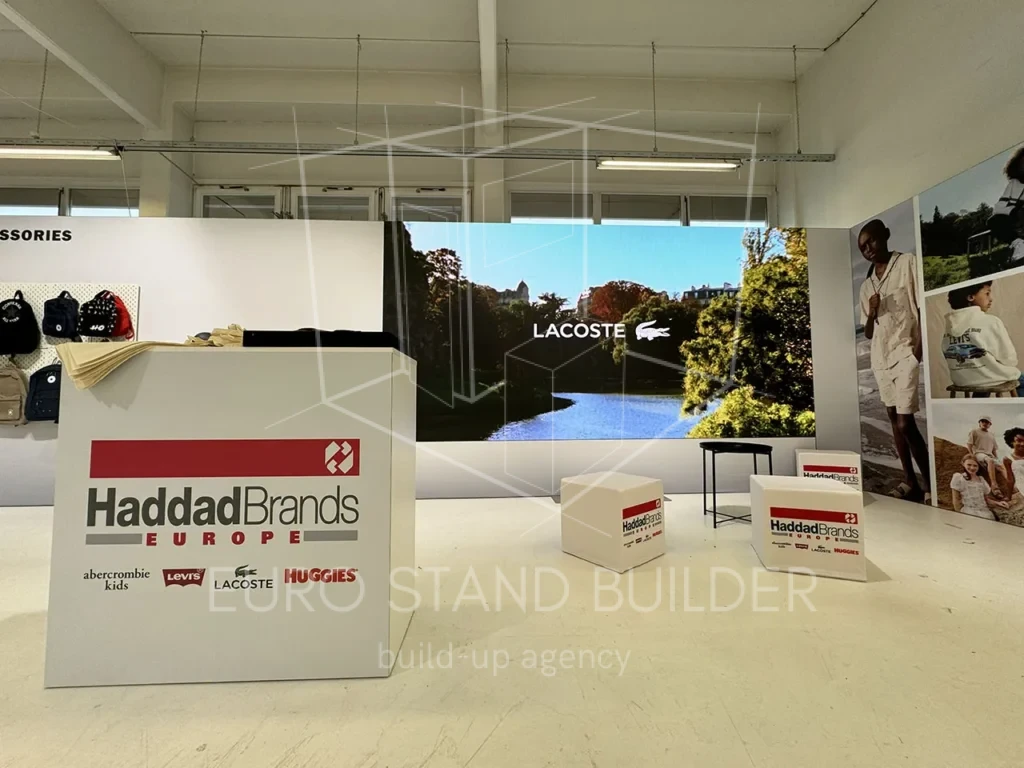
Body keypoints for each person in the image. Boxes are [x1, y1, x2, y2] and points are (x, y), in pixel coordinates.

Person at [859, 219, 931, 502]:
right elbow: (868, 332)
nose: (868, 249)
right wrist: (871, 311)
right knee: (893, 420)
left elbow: (921, 308)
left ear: (886, 235)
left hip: (905, 353)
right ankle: (910, 481)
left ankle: (930, 487)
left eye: (871, 241)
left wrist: (917, 354)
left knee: (905, 423)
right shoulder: (866, 285)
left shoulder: (907, 264)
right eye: (863, 247)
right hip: (880, 357)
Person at [942, 281, 1024, 395]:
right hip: (990, 378)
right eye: (987, 293)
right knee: (1018, 378)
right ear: (971, 297)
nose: (991, 299)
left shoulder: (949, 327)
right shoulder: (991, 321)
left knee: (983, 373)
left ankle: (980, 403)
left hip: (961, 380)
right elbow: (1009, 359)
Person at [950, 455, 1006, 520]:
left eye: (975, 466)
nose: (972, 468)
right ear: (963, 464)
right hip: (968, 512)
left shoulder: (981, 479)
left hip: (984, 512)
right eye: (969, 465)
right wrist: (960, 516)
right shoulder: (959, 478)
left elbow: (985, 499)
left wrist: (998, 503)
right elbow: (956, 500)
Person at [967, 416, 1003, 483]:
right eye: (982, 421)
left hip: (990, 455)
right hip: (979, 453)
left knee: (1002, 467)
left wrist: (997, 458)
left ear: (990, 424)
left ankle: (1013, 486)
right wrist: (972, 455)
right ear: (979, 423)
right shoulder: (974, 431)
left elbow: (994, 449)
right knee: (990, 461)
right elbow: (969, 444)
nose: (984, 423)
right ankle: (994, 484)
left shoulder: (991, 435)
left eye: (986, 422)